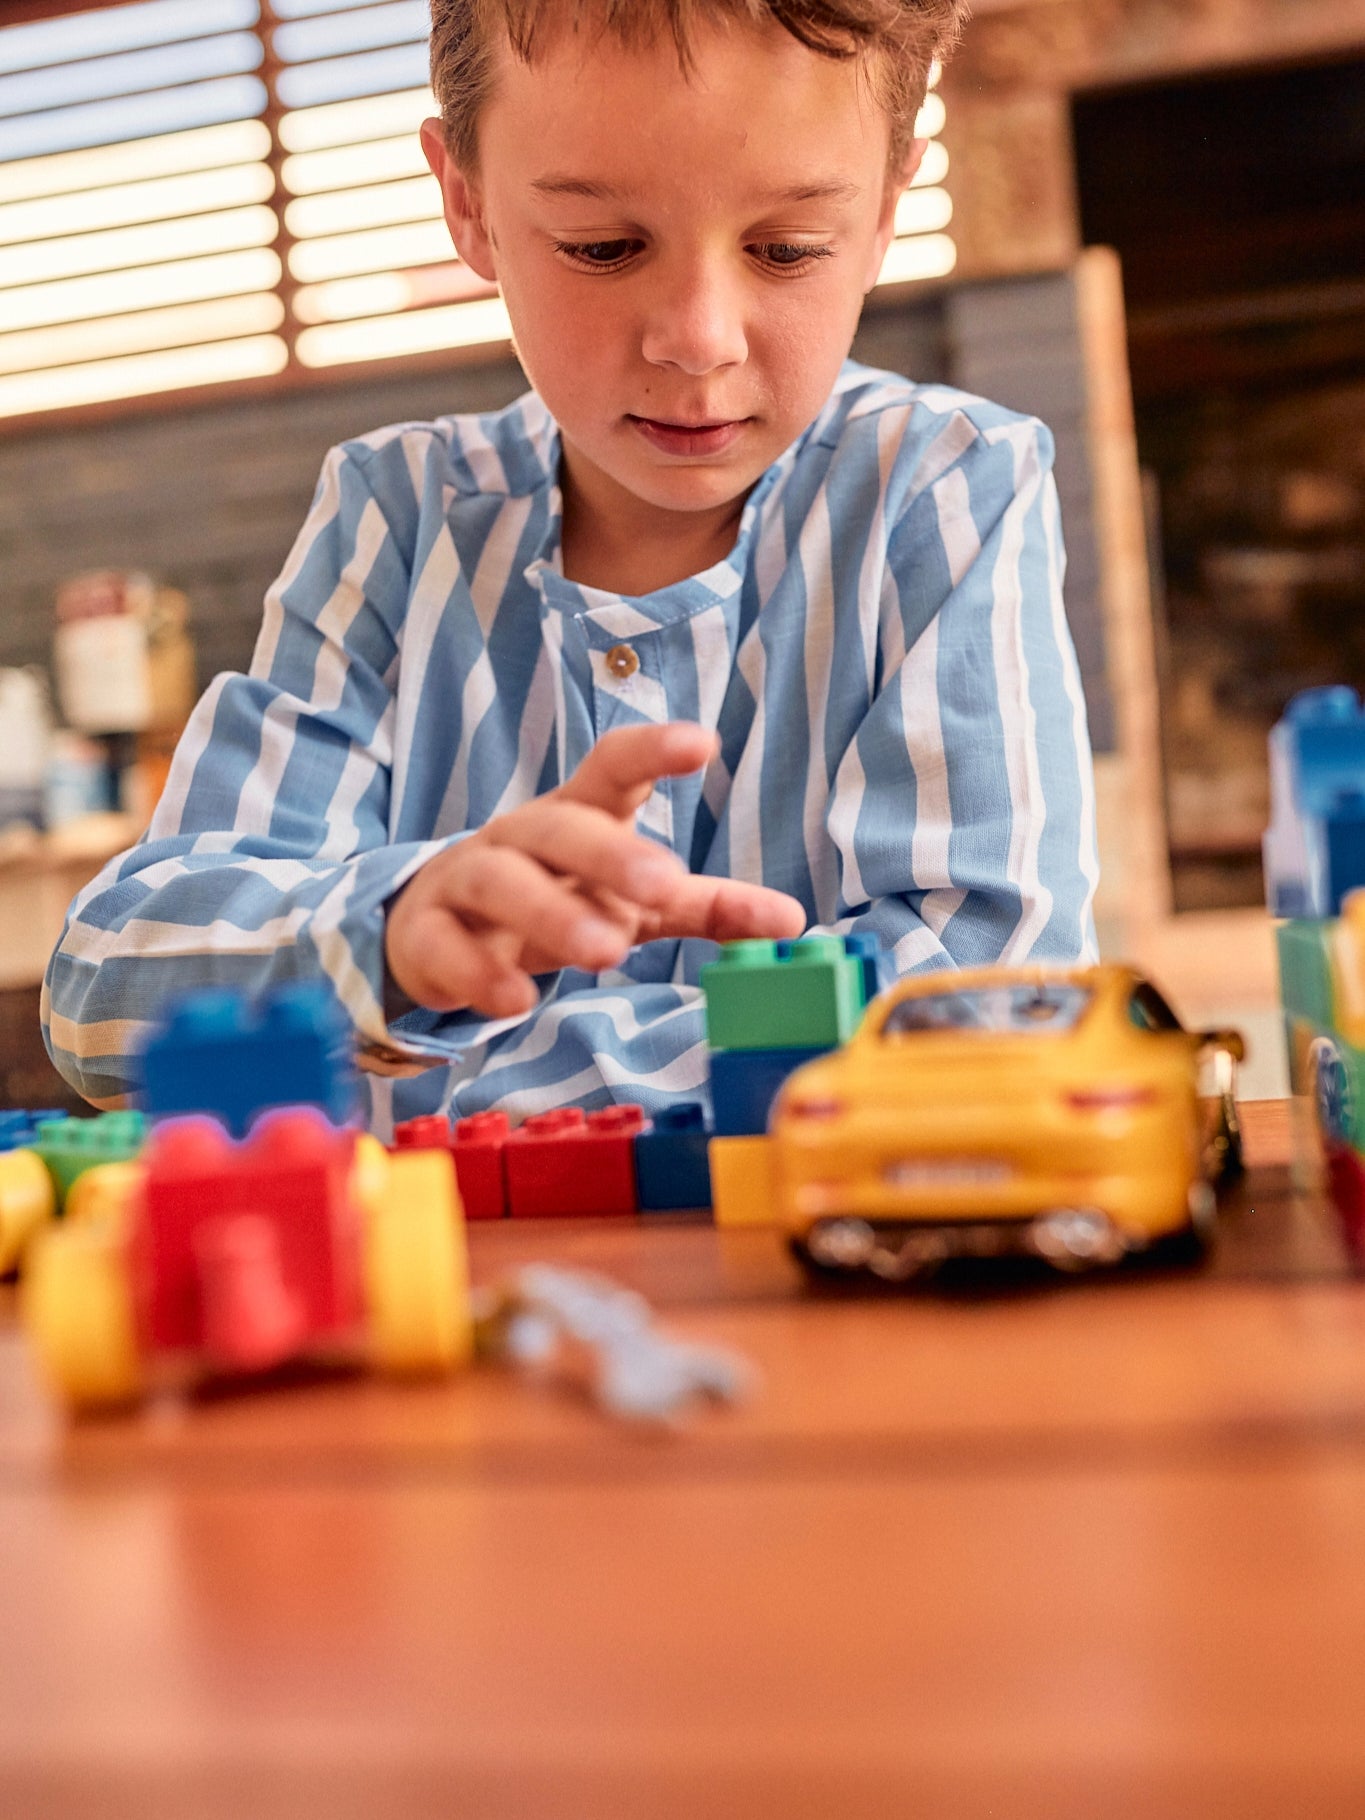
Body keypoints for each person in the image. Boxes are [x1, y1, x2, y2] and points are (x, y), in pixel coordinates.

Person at [43, 0, 1099, 1138]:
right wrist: (390, 934)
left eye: (787, 248)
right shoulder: (398, 516)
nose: (698, 338)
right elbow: (106, 995)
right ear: (469, 206)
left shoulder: (943, 490)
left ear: (886, 210)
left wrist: (407, 1066)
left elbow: (988, 1001)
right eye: (602, 247)